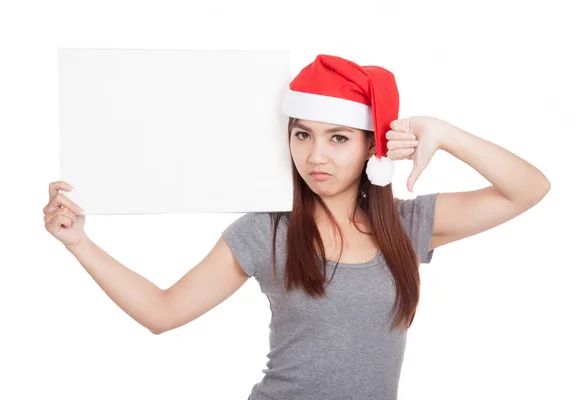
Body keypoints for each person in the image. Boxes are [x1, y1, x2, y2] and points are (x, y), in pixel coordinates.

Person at [43, 54, 551, 400]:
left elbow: (528, 189)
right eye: (303, 134)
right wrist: (79, 243)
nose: (315, 156)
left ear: (372, 146)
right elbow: (163, 311)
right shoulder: (266, 231)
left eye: (338, 138)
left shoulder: (406, 224)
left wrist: (443, 131)